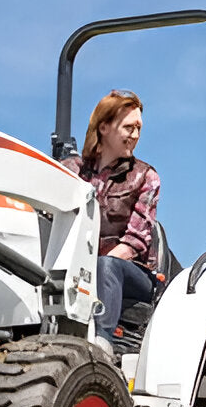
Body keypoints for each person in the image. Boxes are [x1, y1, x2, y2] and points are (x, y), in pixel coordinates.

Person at [62, 89, 160, 352]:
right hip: (79, 267)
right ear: (104, 127)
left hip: (131, 272)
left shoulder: (145, 177)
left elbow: (134, 242)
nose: (135, 135)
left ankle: (101, 343)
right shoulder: (71, 171)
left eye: (138, 128)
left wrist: (86, 268)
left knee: (108, 264)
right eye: (129, 127)